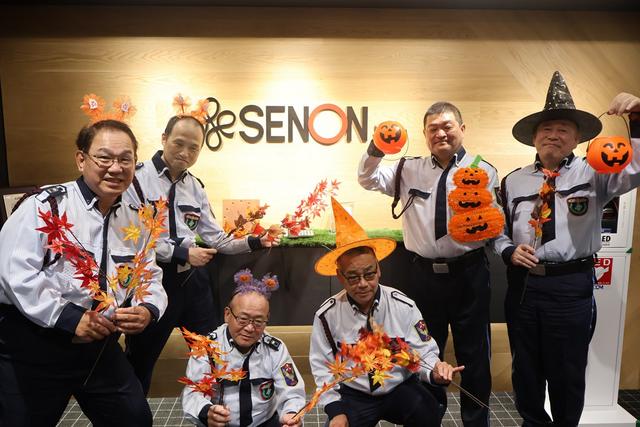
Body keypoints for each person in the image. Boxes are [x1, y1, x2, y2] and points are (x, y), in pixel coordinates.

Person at [0, 118, 168, 426]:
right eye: (104, 158)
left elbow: (149, 275)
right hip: (35, 347)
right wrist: (69, 318)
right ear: (81, 159)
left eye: (125, 159)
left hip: (99, 348)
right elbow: (14, 275)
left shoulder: (138, 219)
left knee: (134, 419)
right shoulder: (45, 206)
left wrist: (147, 308)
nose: (115, 168)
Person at [494, 71, 640, 426]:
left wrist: (637, 120)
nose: (553, 135)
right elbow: (498, 229)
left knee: (567, 371)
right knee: (526, 370)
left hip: (570, 286)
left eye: (563, 129)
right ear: (534, 138)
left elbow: (636, 169)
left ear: (577, 138)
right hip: (523, 286)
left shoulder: (596, 173)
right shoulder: (513, 181)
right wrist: (507, 250)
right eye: (546, 129)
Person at [357, 102, 497, 426]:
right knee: (420, 354)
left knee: (475, 356)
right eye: (433, 128)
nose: (440, 133)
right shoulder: (407, 168)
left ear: (462, 129)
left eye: (447, 126)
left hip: (469, 275)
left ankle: (477, 422)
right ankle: (427, 419)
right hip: (422, 276)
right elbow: (366, 177)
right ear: (424, 134)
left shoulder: (484, 170)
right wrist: (378, 146)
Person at [125, 109, 279, 395]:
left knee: (212, 353)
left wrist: (255, 241)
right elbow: (131, 237)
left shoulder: (195, 186)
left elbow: (217, 239)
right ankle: (132, 413)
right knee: (140, 361)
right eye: (178, 143)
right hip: (151, 282)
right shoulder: (135, 179)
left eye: (194, 148)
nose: (185, 152)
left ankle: (218, 410)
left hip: (193, 284)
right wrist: (182, 253)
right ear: (164, 138)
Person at [310, 197, 463, 427]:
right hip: (353, 393)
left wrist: (435, 370)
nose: (363, 283)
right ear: (340, 276)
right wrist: (335, 410)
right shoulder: (327, 316)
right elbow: (322, 367)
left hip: (398, 387)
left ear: (379, 270)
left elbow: (423, 351)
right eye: (353, 277)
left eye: (369, 274)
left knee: (428, 411)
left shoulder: (403, 305)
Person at [181, 270, 305, 427]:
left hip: (265, 423)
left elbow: (292, 391)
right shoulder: (205, 348)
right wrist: (207, 412)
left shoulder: (275, 349)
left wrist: (291, 414)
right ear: (227, 314)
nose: (249, 328)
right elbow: (192, 393)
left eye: (258, 321)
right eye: (243, 319)